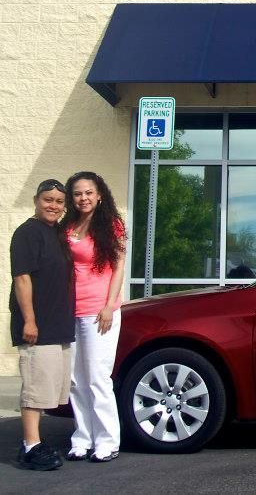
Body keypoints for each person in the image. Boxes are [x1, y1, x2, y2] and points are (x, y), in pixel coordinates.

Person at [10, 178, 74, 471]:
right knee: (35, 388)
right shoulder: (27, 233)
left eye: (59, 201)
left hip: (58, 325)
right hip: (39, 326)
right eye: (48, 199)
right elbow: (22, 278)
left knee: (50, 389)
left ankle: (36, 441)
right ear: (37, 200)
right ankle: (30, 446)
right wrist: (30, 321)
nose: (53, 205)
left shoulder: (57, 233)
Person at [62, 172, 126, 463]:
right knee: (76, 380)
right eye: (77, 193)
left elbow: (119, 267)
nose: (83, 198)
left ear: (99, 194)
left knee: (98, 378)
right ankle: (82, 438)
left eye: (89, 192)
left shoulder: (111, 225)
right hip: (69, 311)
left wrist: (109, 306)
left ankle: (107, 440)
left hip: (98, 311)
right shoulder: (69, 225)